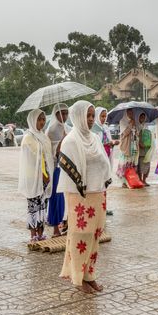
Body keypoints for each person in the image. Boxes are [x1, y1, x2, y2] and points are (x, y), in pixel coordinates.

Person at [58, 100, 111, 294]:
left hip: (98, 195)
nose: (90, 120)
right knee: (81, 236)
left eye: (92, 116)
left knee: (95, 236)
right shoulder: (70, 141)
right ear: (78, 116)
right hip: (79, 197)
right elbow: (70, 175)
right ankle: (78, 278)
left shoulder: (95, 138)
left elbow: (104, 164)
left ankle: (90, 275)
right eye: (87, 116)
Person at [19, 109, 54, 242]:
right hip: (32, 177)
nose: (42, 122)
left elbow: (47, 157)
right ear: (33, 120)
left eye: (44, 119)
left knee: (42, 205)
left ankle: (41, 233)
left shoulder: (43, 136)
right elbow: (34, 158)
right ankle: (33, 234)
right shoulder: (28, 137)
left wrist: (47, 174)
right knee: (33, 206)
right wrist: (42, 174)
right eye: (39, 119)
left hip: (44, 176)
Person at [46, 103, 70, 235]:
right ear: (56, 114)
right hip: (56, 168)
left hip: (66, 168)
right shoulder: (52, 130)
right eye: (61, 113)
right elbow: (51, 152)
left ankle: (64, 223)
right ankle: (55, 227)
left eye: (66, 113)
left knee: (65, 197)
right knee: (56, 197)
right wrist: (61, 142)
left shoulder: (67, 128)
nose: (64, 116)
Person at [116, 109, 139, 189]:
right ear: (126, 113)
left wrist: (134, 126)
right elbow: (125, 133)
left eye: (132, 112)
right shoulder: (122, 121)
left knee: (131, 163)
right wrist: (130, 125)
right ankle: (123, 182)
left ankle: (129, 180)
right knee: (124, 163)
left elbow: (136, 132)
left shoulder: (134, 121)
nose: (130, 114)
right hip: (126, 146)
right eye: (129, 112)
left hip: (133, 145)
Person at [137, 112, 153, 186]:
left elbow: (150, 136)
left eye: (144, 117)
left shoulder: (146, 126)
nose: (142, 119)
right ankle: (140, 180)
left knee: (147, 165)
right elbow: (136, 137)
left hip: (147, 149)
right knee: (140, 166)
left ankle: (144, 180)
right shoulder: (137, 126)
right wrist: (140, 143)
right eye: (141, 117)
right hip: (140, 149)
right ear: (138, 118)